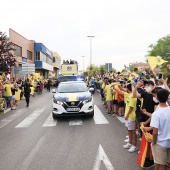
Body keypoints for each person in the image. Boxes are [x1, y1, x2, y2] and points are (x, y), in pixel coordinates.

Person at [150, 89, 170, 170]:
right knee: (166, 163)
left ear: (157, 98)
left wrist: (154, 142)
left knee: (161, 164)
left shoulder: (156, 113)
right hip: (168, 141)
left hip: (160, 142)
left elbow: (155, 132)